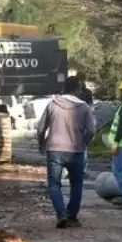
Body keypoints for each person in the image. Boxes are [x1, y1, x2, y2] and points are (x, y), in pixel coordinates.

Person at [36, 75, 96, 229]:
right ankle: (72, 216)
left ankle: (61, 214)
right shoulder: (84, 107)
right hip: (76, 150)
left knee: (54, 184)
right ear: (77, 89)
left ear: (65, 88)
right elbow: (91, 130)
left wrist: (41, 143)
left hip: (54, 150)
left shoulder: (52, 104)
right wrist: (84, 142)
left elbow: (41, 128)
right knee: (76, 184)